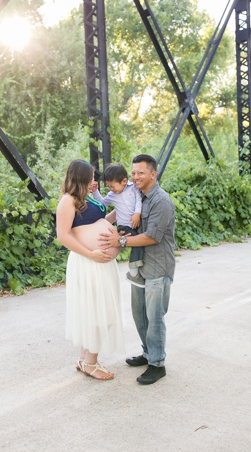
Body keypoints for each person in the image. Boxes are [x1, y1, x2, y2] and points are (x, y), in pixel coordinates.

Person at [99, 154, 176, 385]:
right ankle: (148, 352)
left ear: (153, 174)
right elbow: (117, 215)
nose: (135, 177)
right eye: (133, 173)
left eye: (140, 173)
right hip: (139, 264)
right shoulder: (135, 195)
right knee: (139, 314)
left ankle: (157, 363)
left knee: (155, 316)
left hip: (157, 266)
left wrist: (119, 242)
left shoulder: (161, 201)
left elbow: (152, 236)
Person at [56, 159, 125, 381]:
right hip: (87, 263)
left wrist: (121, 212)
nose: (94, 181)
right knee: (97, 312)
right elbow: (63, 235)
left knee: (97, 310)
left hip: (100, 263)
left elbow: (99, 221)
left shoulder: (86, 199)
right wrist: (91, 254)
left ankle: (85, 360)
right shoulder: (67, 201)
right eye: (92, 177)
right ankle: (91, 364)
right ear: (81, 178)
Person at [92, 162, 145, 285]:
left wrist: (137, 213)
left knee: (143, 240)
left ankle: (139, 266)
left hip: (136, 223)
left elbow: (139, 200)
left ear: (124, 181)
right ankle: (133, 271)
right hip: (124, 226)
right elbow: (103, 203)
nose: (111, 189)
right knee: (137, 243)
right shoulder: (112, 195)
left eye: (112, 186)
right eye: (109, 186)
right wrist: (95, 192)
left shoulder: (134, 188)